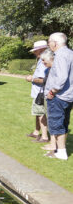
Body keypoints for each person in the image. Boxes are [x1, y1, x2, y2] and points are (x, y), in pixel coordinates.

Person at [43, 32, 73, 160]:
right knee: (63, 123)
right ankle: (59, 150)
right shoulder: (70, 53)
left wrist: (52, 91)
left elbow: (61, 78)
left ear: (55, 43)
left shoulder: (60, 55)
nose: (49, 44)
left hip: (59, 96)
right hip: (69, 96)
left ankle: (61, 152)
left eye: (49, 42)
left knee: (56, 123)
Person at [25, 40, 49, 143]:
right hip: (37, 92)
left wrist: (32, 79)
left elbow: (44, 79)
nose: (34, 53)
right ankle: (36, 132)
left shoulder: (45, 61)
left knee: (40, 113)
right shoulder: (41, 60)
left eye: (36, 51)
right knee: (37, 112)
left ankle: (44, 137)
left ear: (42, 50)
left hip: (40, 92)